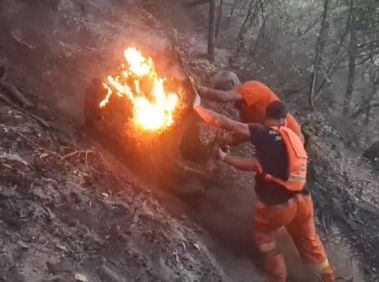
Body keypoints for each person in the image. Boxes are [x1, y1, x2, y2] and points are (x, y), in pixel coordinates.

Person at [193, 95, 335, 282]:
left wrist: (197, 108)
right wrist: (226, 158)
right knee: (311, 241)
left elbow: (224, 122)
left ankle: (278, 277)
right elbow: (257, 165)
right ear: (284, 120)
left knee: (264, 236)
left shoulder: (262, 132)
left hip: (280, 207)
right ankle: (329, 276)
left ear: (266, 117)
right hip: (304, 202)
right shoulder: (293, 137)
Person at [197, 71, 304, 142]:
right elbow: (243, 134)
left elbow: (224, 97)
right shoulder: (245, 110)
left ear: (231, 83)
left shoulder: (252, 86)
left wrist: (196, 89)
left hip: (291, 135)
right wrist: (220, 141)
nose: (218, 91)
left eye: (219, 88)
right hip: (275, 139)